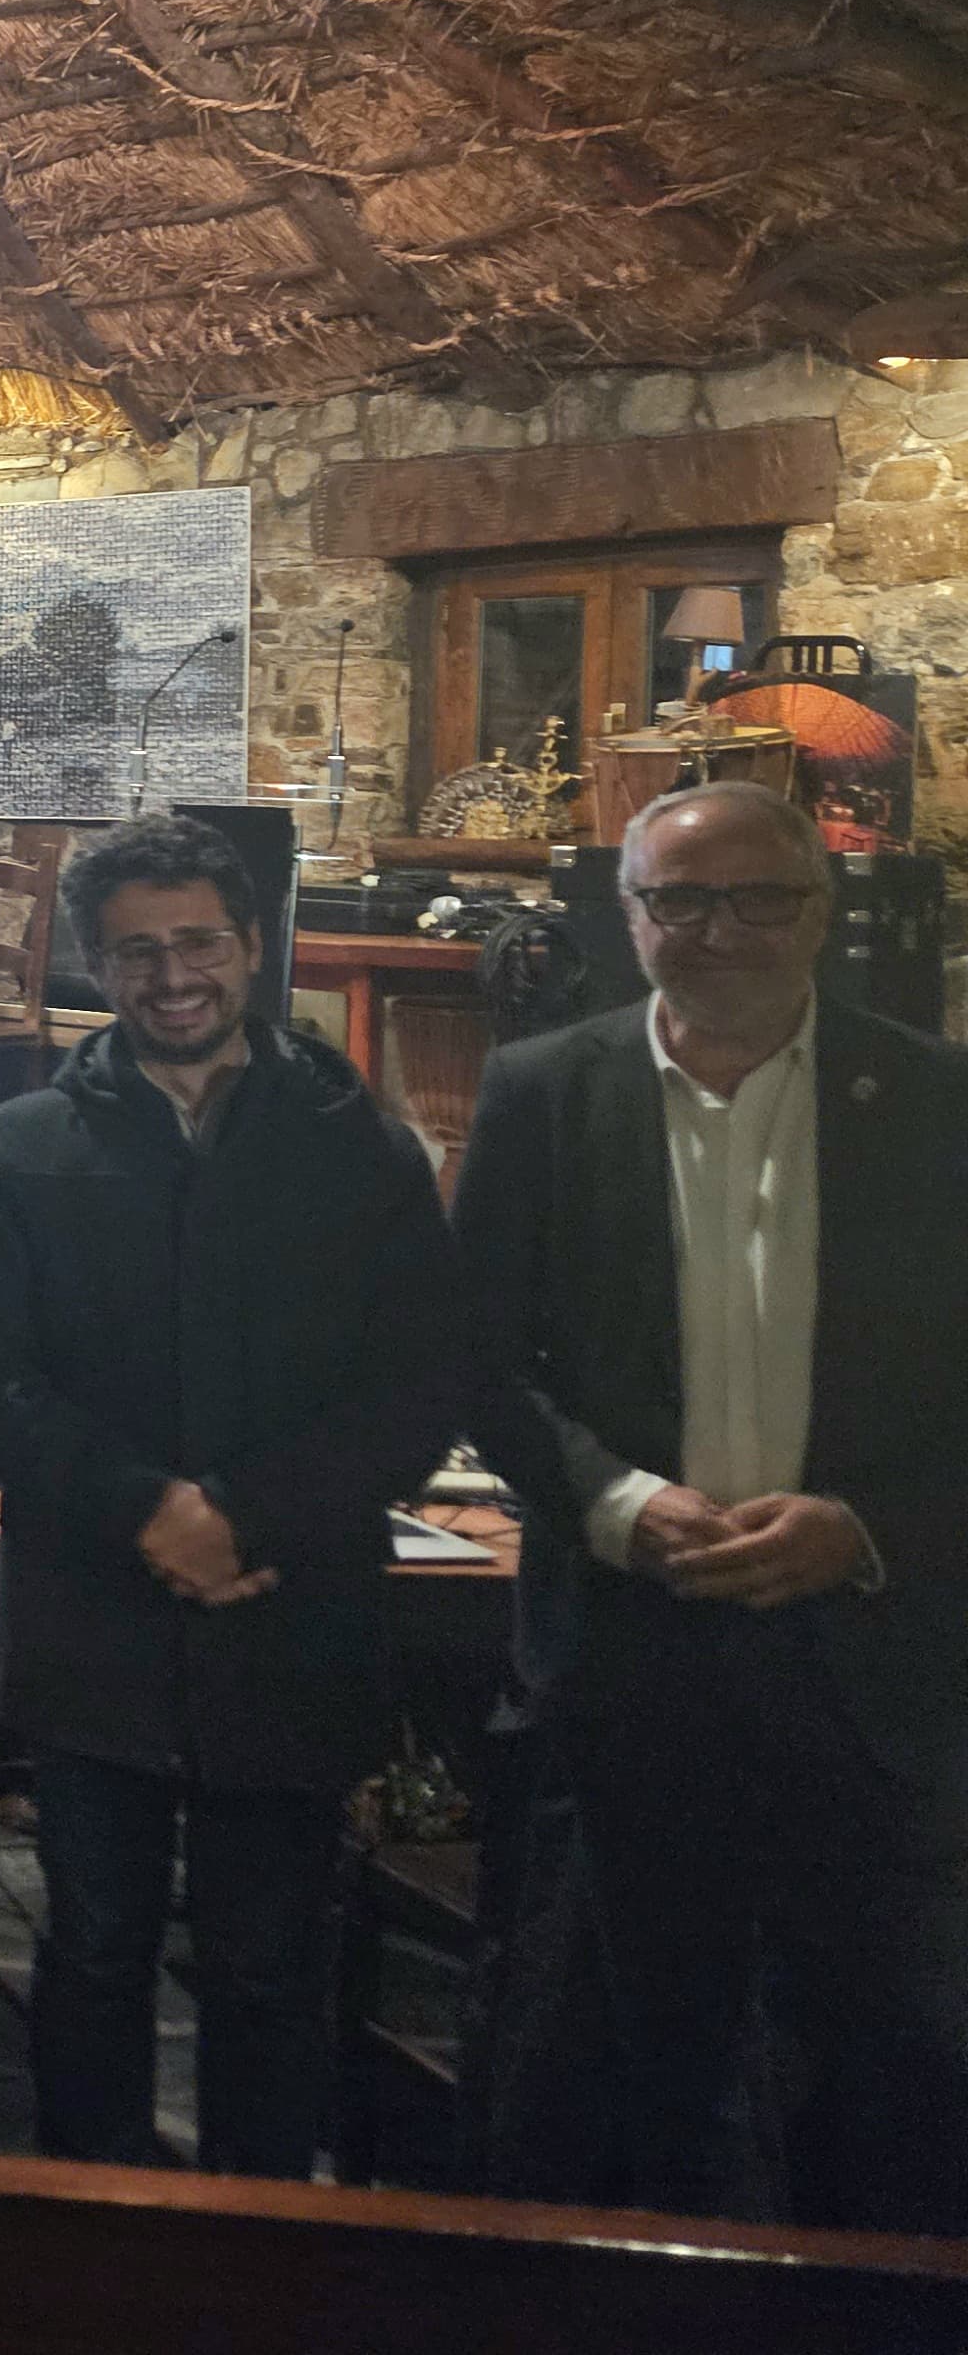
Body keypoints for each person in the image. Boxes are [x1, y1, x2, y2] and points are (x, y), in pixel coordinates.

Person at [455, 781, 968, 2234]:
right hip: (637, 1650)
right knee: (635, 2055)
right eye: (682, 901)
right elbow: (478, 1361)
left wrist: (866, 1526)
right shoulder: (545, 1091)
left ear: (822, 913)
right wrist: (611, 1500)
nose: (721, 930)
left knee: (898, 2053)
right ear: (631, 918)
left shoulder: (940, 1103)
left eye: (760, 898)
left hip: (869, 1662)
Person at [0, 815, 462, 2175]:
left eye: (200, 944)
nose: (173, 976)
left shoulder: (362, 1146)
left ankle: (258, 2256)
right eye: (137, 951)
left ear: (252, 946)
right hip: (92, 1623)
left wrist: (244, 1516)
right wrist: (147, 1511)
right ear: (97, 967)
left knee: (273, 1969)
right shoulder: (26, 1143)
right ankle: (94, 2249)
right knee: (94, 1951)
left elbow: (413, 1389)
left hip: (290, 1620)